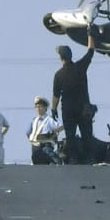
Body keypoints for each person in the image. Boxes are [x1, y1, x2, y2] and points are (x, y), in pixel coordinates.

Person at [52, 31, 95, 164]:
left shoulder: (59, 75)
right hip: (83, 108)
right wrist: (90, 33)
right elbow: (91, 51)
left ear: (61, 57)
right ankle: (89, 159)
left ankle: (73, 160)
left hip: (68, 110)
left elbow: (56, 95)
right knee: (87, 135)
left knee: (70, 136)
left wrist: (53, 109)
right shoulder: (80, 67)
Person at [26, 96, 64, 165]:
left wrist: (52, 133)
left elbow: (62, 126)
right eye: (36, 107)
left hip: (46, 147)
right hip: (35, 147)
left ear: (45, 108)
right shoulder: (34, 120)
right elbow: (28, 133)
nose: (38, 109)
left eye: (40, 107)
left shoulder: (49, 120)